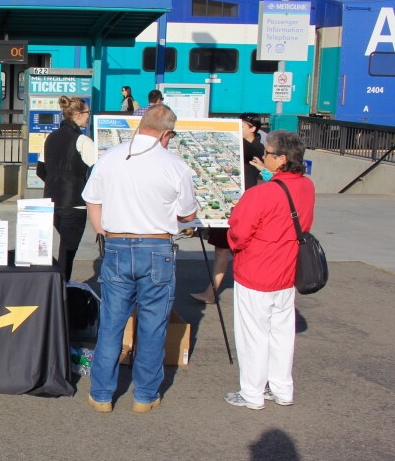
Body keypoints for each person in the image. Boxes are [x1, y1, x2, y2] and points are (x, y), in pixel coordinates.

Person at [82, 104, 198, 414]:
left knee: (111, 324)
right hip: (157, 248)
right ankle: (144, 396)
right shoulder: (175, 165)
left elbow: (93, 201)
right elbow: (188, 214)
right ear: (167, 133)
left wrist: (103, 231)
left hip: (117, 245)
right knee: (152, 325)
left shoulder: (110, 157)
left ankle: (101, 394)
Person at [224, 130, 315, 410]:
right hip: (287, 271)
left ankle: (252, 392)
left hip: (256, 270)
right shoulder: (306, 187)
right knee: (281, 333)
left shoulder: (261, 194)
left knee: (253, 334)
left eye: (268, 154)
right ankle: (282, 388)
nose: (264, 157)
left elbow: (238, 234)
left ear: (282, 159)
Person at [191, 113, 266, 304]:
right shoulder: (245, 144)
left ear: (253, 128)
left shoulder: (255, 147)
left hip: (241, 208)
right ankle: (211, 292)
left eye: (241, 126)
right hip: (229, 207)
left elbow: (247, 148)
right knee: (223, 249)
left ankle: (255, 287)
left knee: (236, 250)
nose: (238, 128)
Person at [36, 96, 96, 282]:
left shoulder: (50, 138)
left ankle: (60, 287)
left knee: (64, 246)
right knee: (68, 251)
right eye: (87, 113)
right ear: (77, 114)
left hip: (52, 200)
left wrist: (56, 182)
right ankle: (61, 290)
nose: (88, 117)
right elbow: (100, 171)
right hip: (75, 202)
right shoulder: (82, 140)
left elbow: (40, 170)